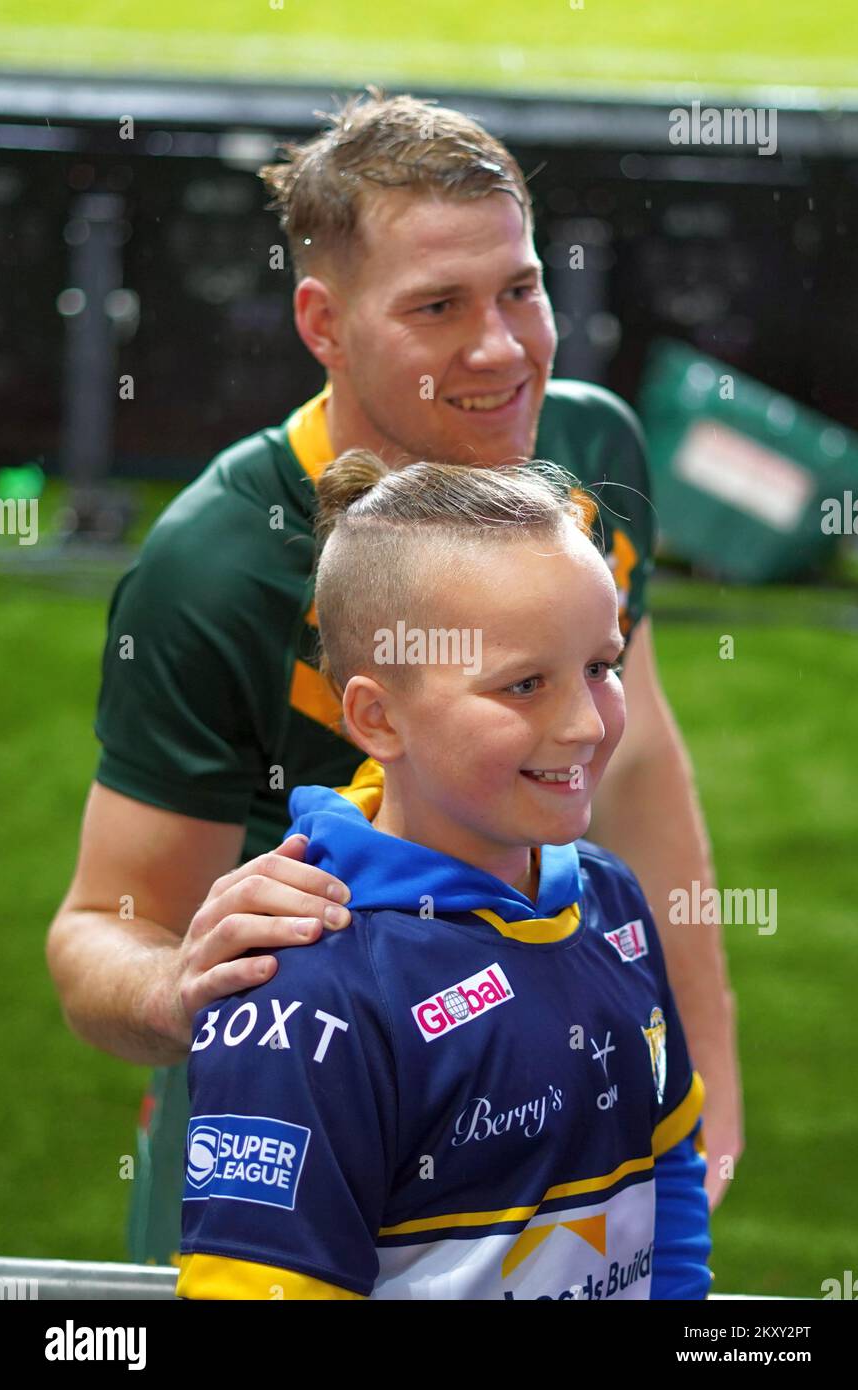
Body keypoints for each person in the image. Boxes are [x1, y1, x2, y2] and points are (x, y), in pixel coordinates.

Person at [45, 87, 740, 1269]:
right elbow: (101, 923)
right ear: (322, 321)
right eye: (436, 307)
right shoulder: (215, 570)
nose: (502, 347)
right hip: (302, 1100)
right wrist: (183, 987)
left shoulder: (592, 452)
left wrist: (700, 1065)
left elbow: (639, 761)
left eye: (519, 288)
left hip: (555, 1065)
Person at [177, 450, 712, 1300]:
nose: (584, 723)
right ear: (376, 717)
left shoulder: (610, 897)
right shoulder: (307, 986)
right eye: (525, 684)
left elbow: (669, 1173)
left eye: (600, 668)